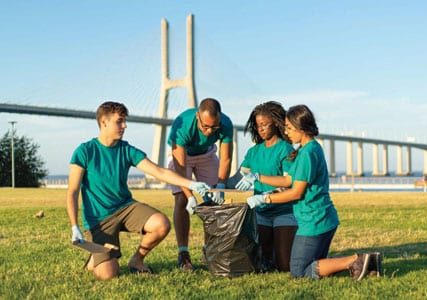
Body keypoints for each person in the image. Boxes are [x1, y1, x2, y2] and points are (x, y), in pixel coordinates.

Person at [67, 101, 210, 280]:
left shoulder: (126, 149)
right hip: (99, 219)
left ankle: (137, 260)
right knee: (108, 275)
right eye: (119, 121)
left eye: (125, 121)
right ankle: (96, 259)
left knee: (161, 224)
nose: (124, 125)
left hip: (125, 207)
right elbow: (72, 191)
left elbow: (159, 171)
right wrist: (74, 226)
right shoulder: (84, 151)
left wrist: (191, 184)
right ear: (104, 122)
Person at [240, 104, 382, 280]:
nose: (286, 131)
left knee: (299, 272)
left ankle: (355, 260)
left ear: (302, 129)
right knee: (313, 264)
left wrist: (264, 199)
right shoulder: (307, 149)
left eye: (290, 128)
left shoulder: (308, 153)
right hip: (321, 219)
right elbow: (288, 180)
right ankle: (370, 263)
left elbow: (296, 192)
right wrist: (258, 176)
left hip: (314, 221)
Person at [167, 98, 234, 270]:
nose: (209, 131)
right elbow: (180, 170)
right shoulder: (181, 126)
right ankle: (183, 253)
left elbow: (226, 158)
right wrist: (190, 195)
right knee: (181, 199)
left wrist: (220, 185)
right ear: (197, 116)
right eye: (205, 126)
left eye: (214, 127)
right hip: (184, 157)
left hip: (207, 155)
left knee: (214, 201)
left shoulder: (225, 123)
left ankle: (211, 250)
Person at [235, 101, 297, 272]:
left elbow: (289, 184)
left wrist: (265, 196)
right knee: (261, 263)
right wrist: (217, 186)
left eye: (264, 125)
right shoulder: (254, 152)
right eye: (257, 125)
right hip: (261, 213)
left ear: (276, 124)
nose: (260, 129)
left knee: (284, 266)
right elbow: (239, 176)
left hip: (284, 212)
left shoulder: (286, 149)